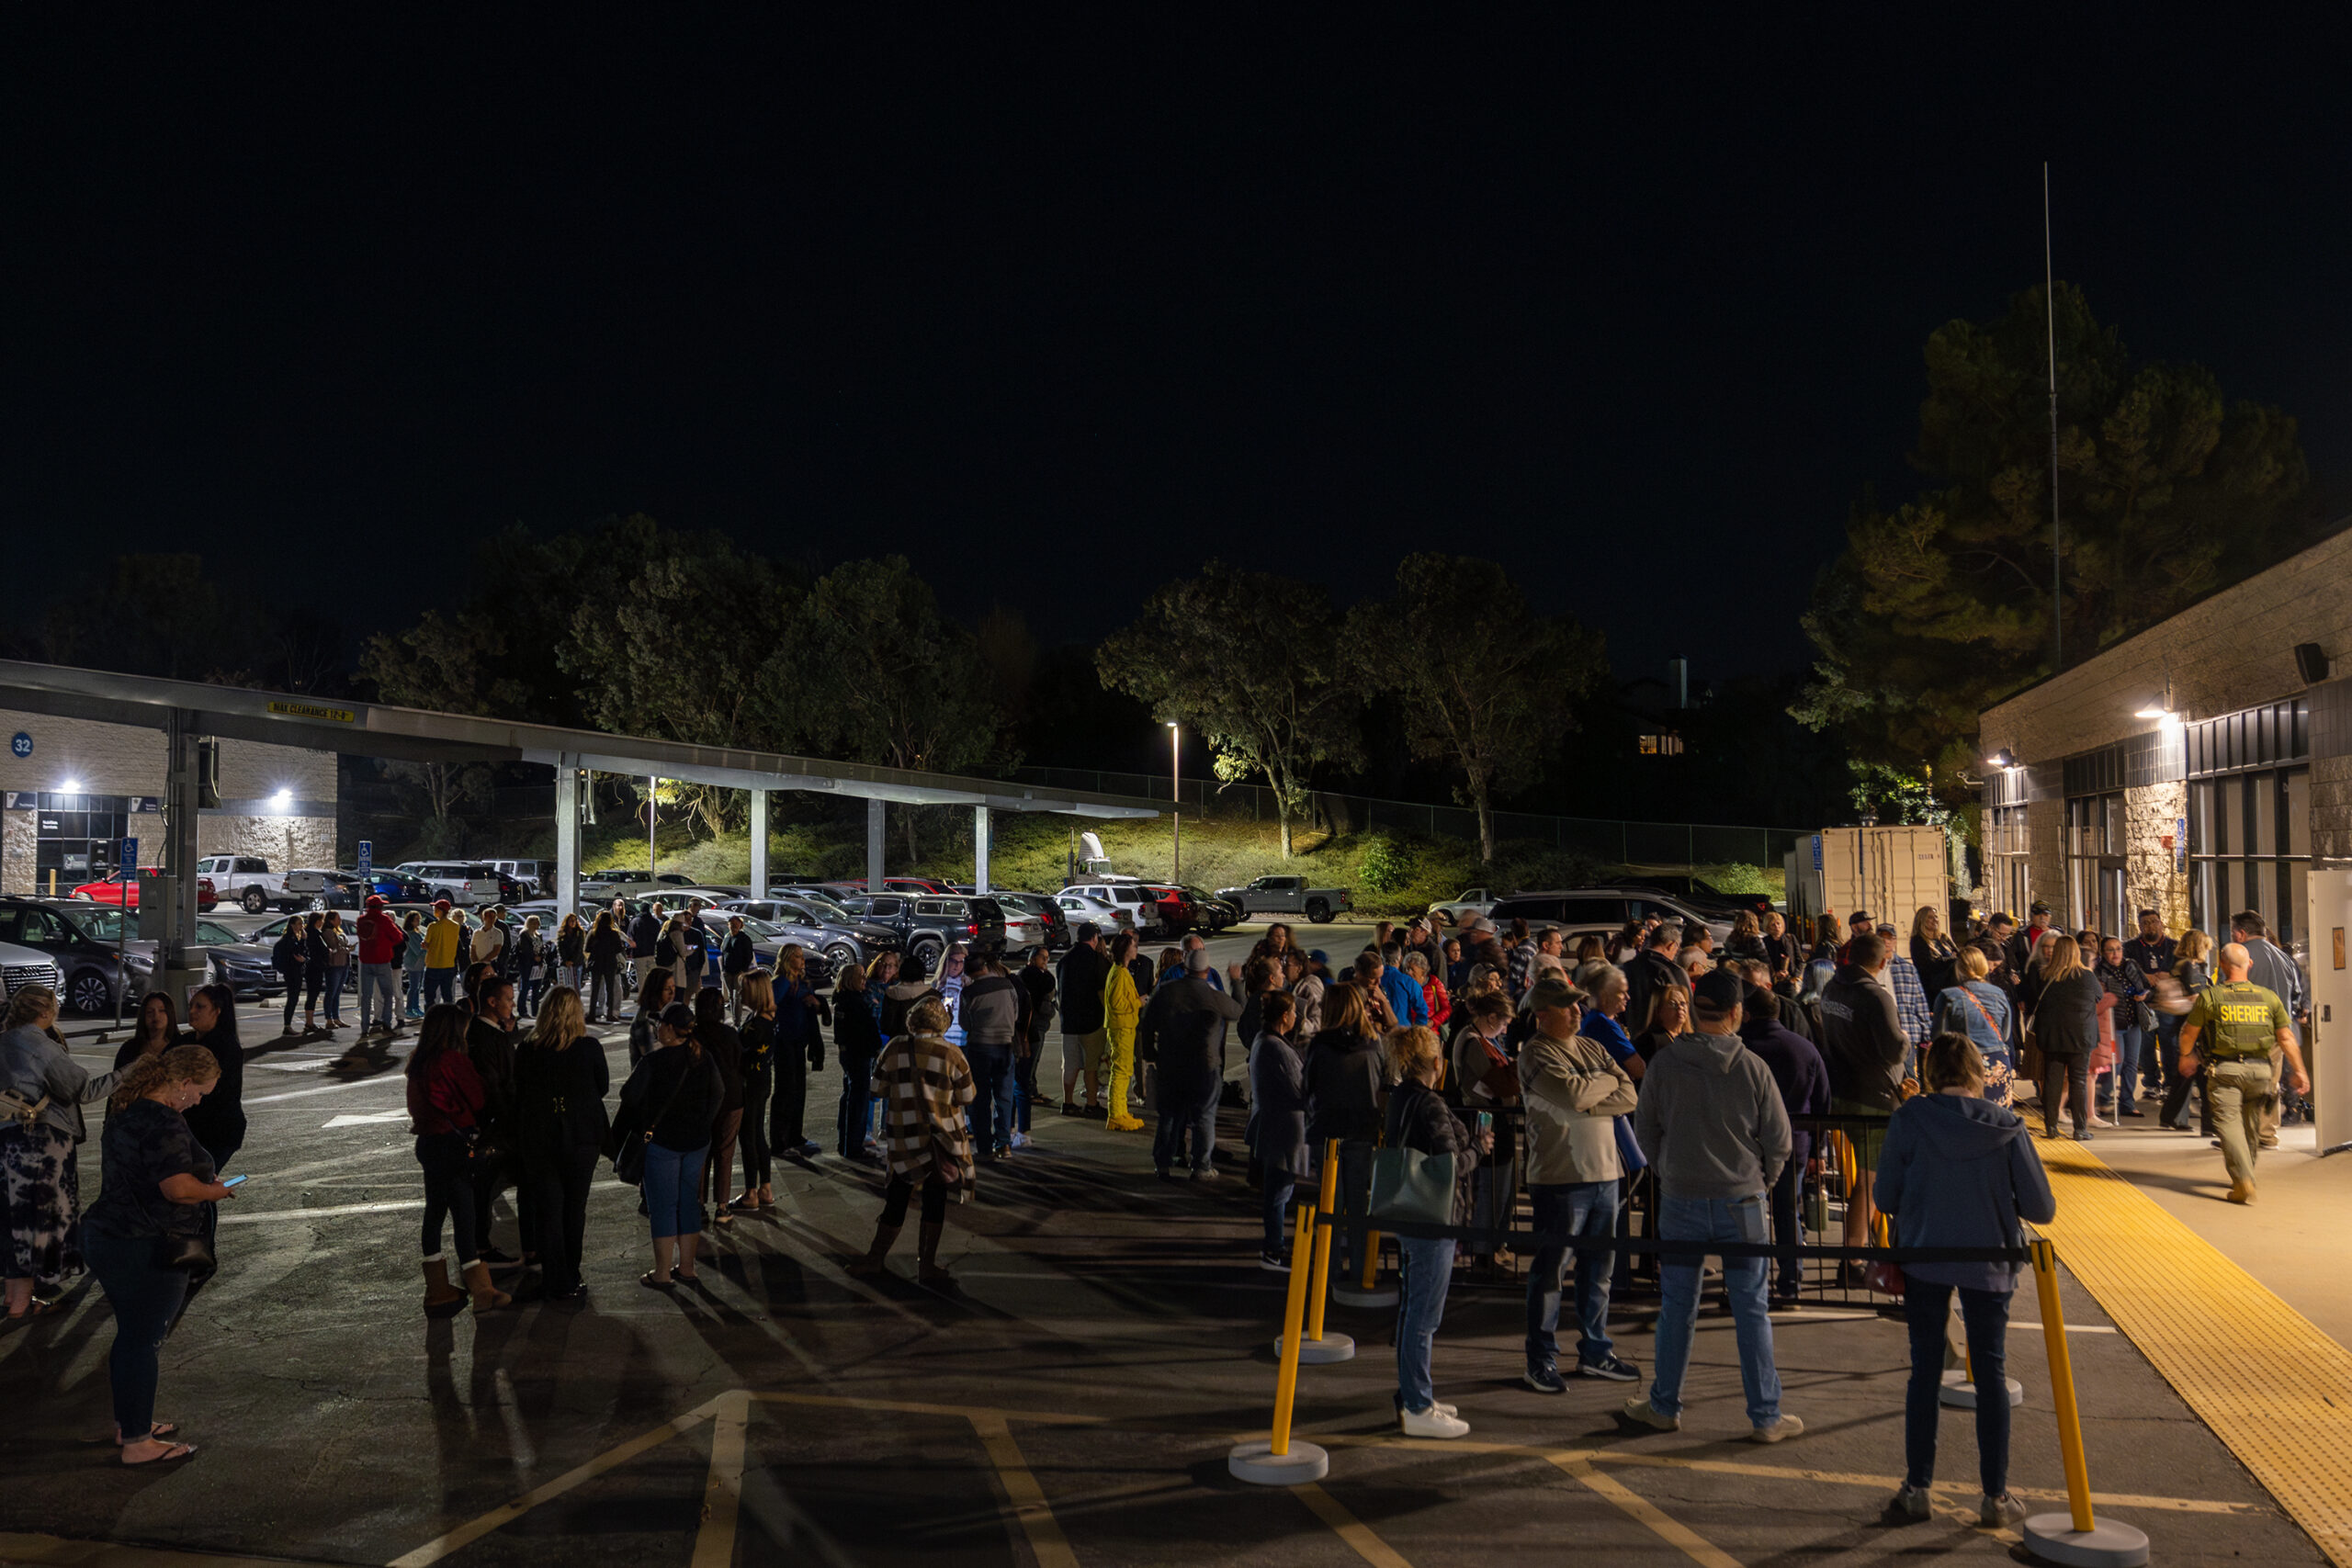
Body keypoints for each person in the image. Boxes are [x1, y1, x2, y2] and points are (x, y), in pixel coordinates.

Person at [1876, 1032, 2053, 1529]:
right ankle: (1995, 1497)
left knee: (1924, 1371)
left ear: (1931, 1074)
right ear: (1978, 1073)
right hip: (1990, 1261)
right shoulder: (2008, 1126)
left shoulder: (1909, 1119)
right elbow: (2042, 1207)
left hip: (1924, 1257)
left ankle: (1916, 1488)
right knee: (1991, 1374)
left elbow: (1886, 1196)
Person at [1623, 967, 1799, 1442]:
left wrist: (1668, 1170)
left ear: (1696, 1010)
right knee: (1751, 1309)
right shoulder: (1752, 1068)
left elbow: (1646, 1130)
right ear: (1736, 1013)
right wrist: (1762, 1180)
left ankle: (1664, 1404)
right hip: (1741, 1201)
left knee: (1677, 1306)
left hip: (1681, 1200)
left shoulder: (1664, 1064)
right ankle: (1766, 1416)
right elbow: (1779, 1142)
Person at [83, 1043, 234, 1463]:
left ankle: (130, 1424)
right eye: (200, 1092)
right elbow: (177, 1189)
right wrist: (214, 1191)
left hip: (106, 1234)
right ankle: (137, 1444)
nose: (200, 1100)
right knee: (142, 1339)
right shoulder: (165, 1123)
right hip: (147, 1243)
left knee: (130, 1335)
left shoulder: (125, 1114)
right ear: (183, 1084)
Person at [1519, 977, 1640, 1392]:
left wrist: (1593, 1094)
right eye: (1568, 1007)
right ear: (1542, 1014)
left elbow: (1630, 1093)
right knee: (1552, 1271)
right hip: (1561, 1175)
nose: (1577, 1012)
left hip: (1606, 1173)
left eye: (1578, 1006)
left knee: (1598, 1269)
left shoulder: (1590, 1045)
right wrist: (1601, 1087)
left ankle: (1596, 1351)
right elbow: (1575, 1094)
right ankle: (1540, 1358)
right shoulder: (1536, 1053)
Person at [1384, 1023, 1488, 1438]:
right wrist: (1478, 1149)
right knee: (1424, 1317)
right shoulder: (1428, 1102)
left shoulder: (1400, 1097)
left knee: (1413, 1311)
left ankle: (1415, 1394)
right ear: (1435, 1063)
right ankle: (1417, 1404)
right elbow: (1448, 1164)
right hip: (1433, 1219)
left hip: (1409, 1214)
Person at [3, 985, 117, 1318]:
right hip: (40, 1143)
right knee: (40, 1221)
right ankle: (24, 1303)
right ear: (44, 1012)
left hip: (6, 1141)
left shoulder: (3, 1040)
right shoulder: (39, 1043)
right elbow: (82, 1089)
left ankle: (15, 1300)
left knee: (13, 1219)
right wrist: (128, 1074)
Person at [849, 996, 975, 1285]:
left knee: (896, 1199)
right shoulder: (952, 1053)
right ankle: (926, 1265)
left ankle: (875, 1258)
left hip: (904, 1139)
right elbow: (968, 1096)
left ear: (912, 1020)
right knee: (935, 1201)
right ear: (942, 1023)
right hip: (940, 1141)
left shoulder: (894, 1048)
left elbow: (876, 1088)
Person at [2178, 942, 2310, 1203]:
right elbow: (2286, 1038)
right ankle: (2246, 1172)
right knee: (2250, 1127)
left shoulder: (2211, 996)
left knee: (2229, 1125)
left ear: (2222, 966)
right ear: (2249, 964)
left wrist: (2185, 1056)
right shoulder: (2268, 997)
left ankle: (2243, 1180)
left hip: (2225, 1071)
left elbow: (2189, 1033)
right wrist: (2300, 1071)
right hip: (2261, 1072)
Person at [405, 1003, 505, 1314]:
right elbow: (477, 1097)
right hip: (454, 1142)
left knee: (435, 1211)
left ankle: (437, 1288)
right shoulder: (453, 1060)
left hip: (428, 1142)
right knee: (464, 1213)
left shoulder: (418, 1062)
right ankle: (481, 1288)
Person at [616, 1001, 723, 1287]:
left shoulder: (653, 1062)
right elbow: (719, 1093)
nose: (656, 1028)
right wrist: (704, 1123)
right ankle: (687, 1268)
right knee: (689, 1202)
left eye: (660, 1024)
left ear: (669, 1029)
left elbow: (629, 1095)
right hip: (696, 1142)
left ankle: (662, 1273)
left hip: (662, 1142)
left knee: (663, 1206)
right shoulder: (703, 1058)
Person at [512, 987, 607, 1303]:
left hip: (540, 1136)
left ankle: (556, 1277)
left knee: (549, 1210)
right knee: (574, 1208)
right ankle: (572, 1272)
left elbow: (519, 1091)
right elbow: (602, 1086)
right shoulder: (590, 1048)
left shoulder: (527, 1050)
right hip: (582, 1135)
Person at [1737, 983, 1829, 1303]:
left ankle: (1750, 1280)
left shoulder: (1740, 1048)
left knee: (1746, 1213)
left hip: (1746, 1143)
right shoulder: (1804, 1049)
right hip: (1795, 1140)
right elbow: (1822, 1103)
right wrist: (1819, 1147)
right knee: (1788, 1212)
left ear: (1747, 1014)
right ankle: (1791, 1279)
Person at [1818, 930, 1905, 1264]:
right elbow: (1895, 1049)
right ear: (1883, 961)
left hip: (1841, 1089)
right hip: (1874, 1097)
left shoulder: (1832, 988)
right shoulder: (1876, 996)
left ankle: (1860, 1249)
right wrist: (1907, 1041)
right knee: (1869, 1181)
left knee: (1858, 1178)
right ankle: (1853, 1256)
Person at [1137, 945, 1245, 1179]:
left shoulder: (1166, 991)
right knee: (1203, 1118)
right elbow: (1238, 1012)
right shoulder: (1212, 995)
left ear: (1185, 967)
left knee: (1169, 1116)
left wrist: (1150, 1053)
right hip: (1204, 1066)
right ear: (1206, 970)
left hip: (1170, 1064)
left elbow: (1147, 1023)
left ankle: (1163, 1164)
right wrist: (1236, 982)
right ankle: (1200, 1166)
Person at [1305, 982, 1384, 1282]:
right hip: (1362, 1130)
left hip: (1327, 1133)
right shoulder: (1372, 1042)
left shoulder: (1321, 1045)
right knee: (1358, 1208)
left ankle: (1330, 1270)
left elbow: (1308, 1087)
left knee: (1330, 1209)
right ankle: (1363, 1270)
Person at [2230, 910, 2306, 1148]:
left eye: (2234, 933)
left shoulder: (2241, 956)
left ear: (2241, 933)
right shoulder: (2285, 958)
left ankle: (2244, 1134)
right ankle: (2267, 1134)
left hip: (2247, 1029)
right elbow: (2297, 994)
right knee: (2271, 1082)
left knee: (2243, 1081)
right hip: (2279, 1030)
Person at [466, 976, 525, 1265]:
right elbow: (494, 1086)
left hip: (494, 1123)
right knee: (487, 1186)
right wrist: (510, 1120)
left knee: (489, 1186)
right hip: (493, 1126)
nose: (512, 1005)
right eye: (508, 999)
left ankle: (479, 1244)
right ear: (492, 1002)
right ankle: (479, 1247)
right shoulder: (485, 1037)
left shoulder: (487, 1033)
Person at [1248, 992, 1307, 1269]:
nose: (1296, 1016)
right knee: (1278, 1193)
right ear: (1284, 1016)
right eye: (1294, 1011)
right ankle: (1274, 1249)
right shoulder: (1276, 1048)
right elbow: (1299, 1090)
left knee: (1277, 1191)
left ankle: (1274, 1246)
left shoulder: (1265, 1041)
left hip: (1273, 1127)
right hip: (1282, 1129)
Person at [2030, 935, 2100, 1141]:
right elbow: (2099, 997)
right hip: (2080, 1037)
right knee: (2078, 1081)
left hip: (2052, 1037)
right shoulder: (2087, 976)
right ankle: (2080, 1129)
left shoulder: (2045, 975)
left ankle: (2050, 1127)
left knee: (2052, 1081)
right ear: (2077, 952)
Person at [1930, 947, 2017, 1108]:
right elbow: (2005, 1035)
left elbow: (1938, 1038)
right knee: (1998, 1118)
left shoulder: (1948, 995)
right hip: (1998, 1063)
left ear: (1959, 968)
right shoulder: (1999, 993)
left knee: (1968, 1116)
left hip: (1965, 1064)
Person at [690, 986, 747, 1224]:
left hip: (702, 1101)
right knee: (725, 1153)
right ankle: (722, 1206)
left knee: (701, 1153)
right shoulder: (730, 1034)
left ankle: (698, 1204)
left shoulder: (693, 1035)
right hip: (731, 1098)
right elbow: (739, 1064)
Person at [180, 984, 245, 1181]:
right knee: (198, 1183)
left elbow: (218, 1093)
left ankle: (220, 1191)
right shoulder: (186, 1041)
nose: (192, 1011)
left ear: (217, 1011)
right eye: (191, 1006)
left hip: (217, 1131)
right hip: (192, 1129)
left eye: (200, 1007)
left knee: (199, 1182)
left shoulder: (225, 1046)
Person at [960, 951, 1022, 1159]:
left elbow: (964, 1024)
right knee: (1004, 1097)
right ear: (985, 966)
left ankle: (984, 1146)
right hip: (1005, 1045)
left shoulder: (969, 992)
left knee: (980, 1099)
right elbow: (1015, 1015)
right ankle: (1004, 1144)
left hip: (979, 1047)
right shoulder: (1007, 985)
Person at [2157, 930, 2216, 1132]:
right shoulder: (2189, 967)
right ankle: (2208, 1124)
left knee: (2187, 1075)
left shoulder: (2181, 964)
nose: (2207, 952)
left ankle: (2171, 1116)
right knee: (2203, 1074)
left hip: (2183, 1024)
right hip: (2192, 1025)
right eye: (2206, 947)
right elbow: (2194, 996)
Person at [833, 957, 888, 1160]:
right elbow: (863, 1031)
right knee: (858, 1099)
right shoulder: (854, 1003)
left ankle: (845, 1142)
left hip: (850, 1054)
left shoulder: (845, 1000)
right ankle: (854, 1146)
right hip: (859, 1054)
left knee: (849, 1095)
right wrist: (874, 1047)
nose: (865, 979)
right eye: (860, 976)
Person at [2093, 935, 2152, 1119]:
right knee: (2115, 1063)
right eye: (2110, 950)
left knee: (2131, 1064)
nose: (2116, 953)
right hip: (2112, 1023)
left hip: (2133, 1021)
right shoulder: (2099, 970)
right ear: (2103, 953)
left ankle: (2127, 1102)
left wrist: (2144, 995)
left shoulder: (2131, 965)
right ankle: (2103, 1098)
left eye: (2118, 949)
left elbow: (2147, 986)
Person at [1057, 924, 1112, 1115]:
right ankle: (1091, 1103)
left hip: (1069, 1021)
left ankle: (1068, 1102)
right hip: (1092, 1021)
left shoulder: (1064, 960)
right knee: (1091, 1064)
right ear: (1095, 938)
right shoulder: (1097, 960)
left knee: (1070, 1064)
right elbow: (1102, 992)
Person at [1102, 931, 1146, 1132]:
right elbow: (1117, 1003)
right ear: (1125, 950)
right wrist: (1138, 1002)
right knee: (1121, 1072)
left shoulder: (1121, 972)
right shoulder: (1119, 974)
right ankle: (1116, 1114)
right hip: (1122, 1027)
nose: (1136, 948)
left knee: (1124, 1070)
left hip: (1125, 1026)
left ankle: (1121, 1110)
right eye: (1133, 945)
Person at [1013, 945, 1057, 1141]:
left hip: (1040, 1023)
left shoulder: (1037, 974)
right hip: (1034, 1025)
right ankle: (1029, 1090)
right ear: (1032, 959)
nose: (1046, 962)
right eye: (1043, 958)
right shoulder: (1030, 975)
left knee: (1035, 1060)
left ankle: (1032, 1088)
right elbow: (1047, 984)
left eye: (1047, 958)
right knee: (1030, 1060)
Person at [356, 894, 403, 1037]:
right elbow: (398, 937)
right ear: (380, 907)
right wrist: (386, 944)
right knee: (388, 994)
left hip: (366, 961)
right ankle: (386, 1023)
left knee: (366, 995)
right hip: (382, 960)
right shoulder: (384, 920)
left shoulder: (361, 921)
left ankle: (364, 1026)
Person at [1623, 922, 1684, 1036]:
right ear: (1671, 945)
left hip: (1635, 1037)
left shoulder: (1627, 967)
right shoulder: (1672, 971)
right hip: (1666, 1040)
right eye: (1676, 950)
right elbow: (1686, 1014)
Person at [112, 990, 183, 1071]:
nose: (156, 1015)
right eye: (150, 1012)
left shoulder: (181, 1046)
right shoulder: (129, 1048)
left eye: (162, 1010)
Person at [628, 967, 678, 1066]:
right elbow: (653, 1058)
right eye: (667, 989)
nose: (672, 993)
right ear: (656, 990)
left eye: (673, 987)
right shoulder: (644, 1022)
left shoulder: (664, 1013)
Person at [1631, 982, 1690, 1064]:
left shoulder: (1691, 1039)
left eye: (1683, 1004)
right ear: (1658, 1010)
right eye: (1673, 1004)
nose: (1680, 1008)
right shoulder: (1648, 1041)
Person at [585, 908, 628, 1023]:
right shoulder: (613, 933)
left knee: (595, 990)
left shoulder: (593, 933)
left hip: (596, 963)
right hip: (610, 963)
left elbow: (587, 948)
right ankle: (610, 1013)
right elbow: (619, 949)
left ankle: (592, 1014)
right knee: (610, 990)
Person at [1908, 906, 1959, 998]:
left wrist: (1947, 960)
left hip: (1952, 985)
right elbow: (1929, 965)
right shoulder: (1918, 941)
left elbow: (1959, 955)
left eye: (1936, 917)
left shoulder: (1944, 938)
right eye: (1930, 917)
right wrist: (1951, 959)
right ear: (1922, 920)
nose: (1935, 920)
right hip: (1932, 990)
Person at [423, 900, 464, 1009]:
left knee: (430, 997)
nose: (434, 911)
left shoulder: (433, 926)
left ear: (440, 911)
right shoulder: (455, 926)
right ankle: (448, 1019)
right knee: (447, 996)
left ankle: (431, 1019)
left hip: (433, 965)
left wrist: (425, 945)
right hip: (449, 965)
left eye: (435, 909)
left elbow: (426, 944)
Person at [318, 910, 352, 1031]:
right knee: (331, 992)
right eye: (338, 918)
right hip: (334, 965)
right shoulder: (328, 932)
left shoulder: (339, 931)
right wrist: (347, 949)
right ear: (331, 920)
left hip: (343, 963)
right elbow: (334, 947)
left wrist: (346, 948)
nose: (340, 921)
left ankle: (336, 1018)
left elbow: (342, 945)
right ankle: (329, 1019)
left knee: (337, 993)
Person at [721, 915, 757, 1023]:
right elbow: (724, 953)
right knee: (731, 996)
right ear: (728, 925)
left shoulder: (744, 938)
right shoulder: (727, 937)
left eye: (736, 924)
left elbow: (749, 956)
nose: (734, 926)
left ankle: (737, 1021)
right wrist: (723, 969)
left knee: (737, 997)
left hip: (738, 972)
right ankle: (734, 1018)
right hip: (727, 972)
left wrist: (743, 970)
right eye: (732, 924)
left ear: (741, 925)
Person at [513, 915, 548, 1018]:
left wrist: (541, 957)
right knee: (525, 987)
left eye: (538, 922)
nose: (537, 925)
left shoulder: (538, 935)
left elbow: (542, 948)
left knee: (536, 989)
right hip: (527, 964)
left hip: (538, 965)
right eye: (535, 923)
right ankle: (522, 1010)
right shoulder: (524, 935)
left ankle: (535, 1011)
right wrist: (533, 957)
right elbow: (524, 949)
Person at [629, 901, 664, 997]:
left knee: (641, 977)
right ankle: (653, 995)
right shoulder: (655, 922)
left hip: (639, 954)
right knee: (652, 976)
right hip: (651, 953)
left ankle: (642, 996)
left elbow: (630, 937)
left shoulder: (635, 921)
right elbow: (658, 937)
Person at [401, 910, 430, 1019]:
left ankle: (415, 1007)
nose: (419, 921)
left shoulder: (417, 932)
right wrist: (427, 948)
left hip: (420, 963)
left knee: (417, 987)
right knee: (413, 986)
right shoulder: (411, 934)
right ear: (411, 921)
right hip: (414, 963)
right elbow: (417, 950)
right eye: (417, 919)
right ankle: (409, 1008)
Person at [557, 911, 587, 997]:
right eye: (571, 921)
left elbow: (580, 948)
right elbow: (560, 948)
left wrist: (573, 961)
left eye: (574, 920)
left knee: (576, 984)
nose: (573, 922)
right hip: (565, 962)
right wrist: (566, 960)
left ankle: (577, 1003)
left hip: (577, 962)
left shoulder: (580, 932)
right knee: (565, 985)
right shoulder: (562, 932)